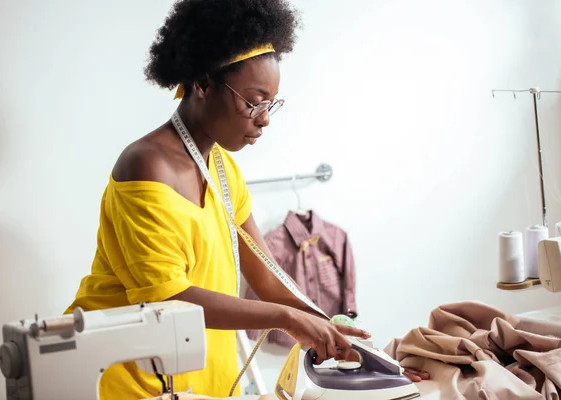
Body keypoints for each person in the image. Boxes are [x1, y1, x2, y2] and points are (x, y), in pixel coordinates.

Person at [65, 0, 429, 399]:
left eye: (271, 103)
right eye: (254, 101)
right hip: (131, 378)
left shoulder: (220, 167)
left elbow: (268, 278)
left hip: (204, 378)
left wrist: (352, 344)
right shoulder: (146, 165)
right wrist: (285, 318)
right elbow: (169, 299)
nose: (265, 118)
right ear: (203, 84)